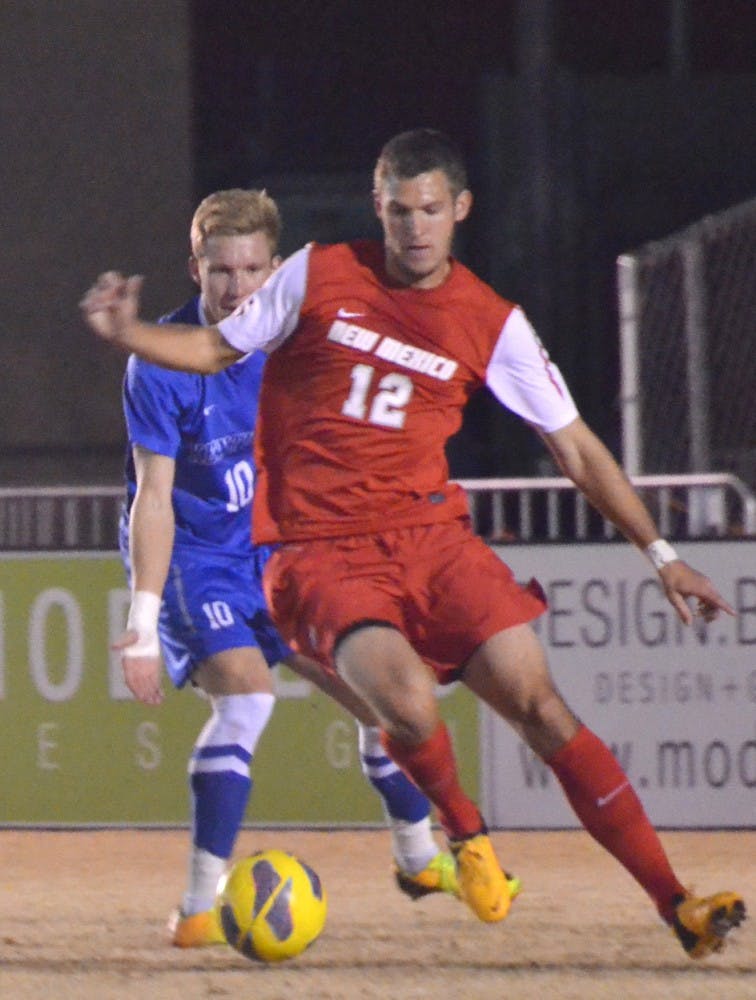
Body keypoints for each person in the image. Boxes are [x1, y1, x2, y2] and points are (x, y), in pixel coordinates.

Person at [82, 129, 745, 959]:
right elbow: (213, 348)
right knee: (403, 700)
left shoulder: (491, 323)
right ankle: (463, 836)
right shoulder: (317, 274)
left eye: (431, 209)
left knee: (542, 706)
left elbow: (574, 446)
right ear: (379, 208)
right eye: (398, 211)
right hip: (318, 550)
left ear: (459, 210)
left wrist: (662, 555)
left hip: (432, 539)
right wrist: (129, 333)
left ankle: (676, 904)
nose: (414, 228)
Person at [115, 187, 459, 949]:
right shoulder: (162, 366)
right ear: (194, 269)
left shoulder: (298, 345)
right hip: (196, 562)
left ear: (275, 270)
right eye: (219, 272)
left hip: (282, 552)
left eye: (250, 271)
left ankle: (418, 860)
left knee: (391, 701)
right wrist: (141, 623)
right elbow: (155, 501)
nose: (235, 289)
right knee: (247, 701)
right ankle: (201, 905)